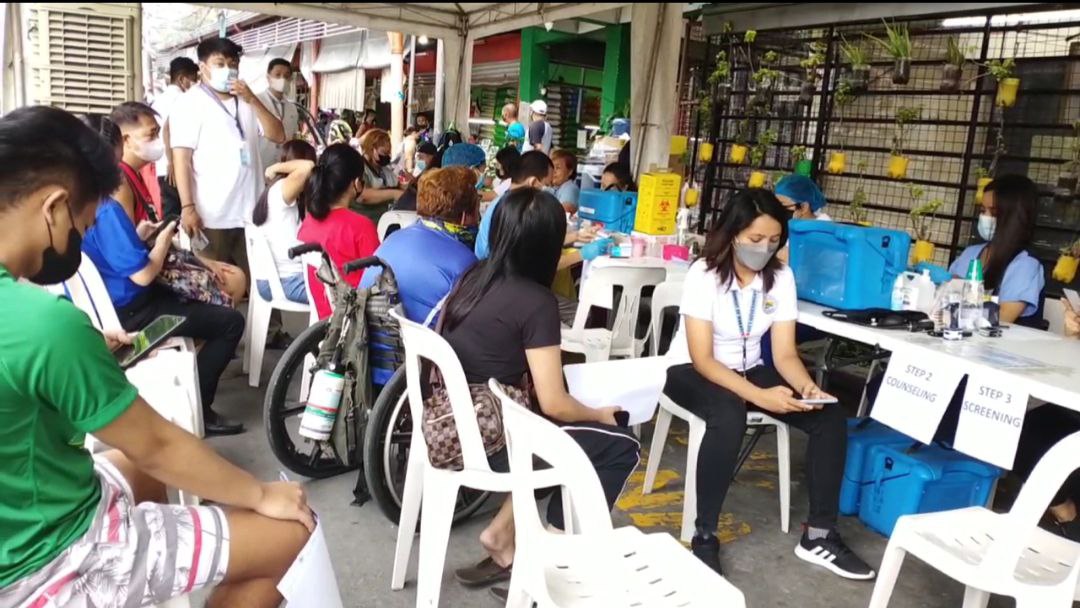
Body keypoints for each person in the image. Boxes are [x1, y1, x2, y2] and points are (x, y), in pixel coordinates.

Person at [0, 106, 313, 608]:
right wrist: (260, 494)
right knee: (295, 534)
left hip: (25, 514)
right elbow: (157, 444)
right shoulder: (42, 324)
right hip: (48, 559)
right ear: (53, 208)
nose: (81, 239)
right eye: (82, 226)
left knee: (133, 467)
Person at [662, 189, 875, 581]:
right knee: (729, 414)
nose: (764, 248)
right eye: (755, 238)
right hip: (692, 371)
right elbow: (703, 359)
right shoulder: (704, 274)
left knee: (828, 416)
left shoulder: (781, 277)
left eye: (774, 240)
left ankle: (820, 534)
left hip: (750, 368)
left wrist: (807, 388)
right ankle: (704, 535)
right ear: (733, 234)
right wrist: (760, 396)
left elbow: (785, 354)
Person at [442, 188, 639, 595]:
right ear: (549, 244)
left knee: (563, 433)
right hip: (493, 442)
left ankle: (501, 534)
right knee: (619, 445)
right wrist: (599, 414)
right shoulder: (536, 301)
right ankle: (551, 565)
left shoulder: (472, 277)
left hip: (451, 422)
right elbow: (555, 403)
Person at [83, 110, 248, 437]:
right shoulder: (108, 206)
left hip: (117, 302)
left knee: (210, 296)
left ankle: (189, 389)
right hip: (133, 312)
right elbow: (143, 275)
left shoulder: (83, 204)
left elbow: (114, 253)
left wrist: (140, 236)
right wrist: (160, 241)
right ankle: (200, 408)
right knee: (230, 322)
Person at [171, 36, 285, 281]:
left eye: (233, 64)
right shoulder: (190, 103)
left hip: (251, 212)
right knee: (215, 283)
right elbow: (181, 160)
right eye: (220, 63)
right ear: (203, 67)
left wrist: (252, 100)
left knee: (260, 282)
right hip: (211, 215)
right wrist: (187, 207)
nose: (228, 70)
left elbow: (278, 135)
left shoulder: (247, 100)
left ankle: (260, 310)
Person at [360, 166, 479, 325]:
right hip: (417, 340)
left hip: (362, 332)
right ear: (464, 217)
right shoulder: (466, 264)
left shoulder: (394, 238)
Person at [942, 174, 1044, 326]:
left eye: (994, 213)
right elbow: (945, 299)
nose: (985, 218)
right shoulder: (970, 253)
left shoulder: (1025, 264)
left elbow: (1003, 318)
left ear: (1016, 218)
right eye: (982, 211)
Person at [297, 143, 380, 319]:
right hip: (356, 318)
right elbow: (377, 279)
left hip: (323, 316)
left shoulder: (308, 223)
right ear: (355, 183)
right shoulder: (361, 226)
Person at [253, 140, 318, 304]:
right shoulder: (281, 189)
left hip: (282, 279)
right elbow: (308, 167)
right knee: (344, 297)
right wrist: (275, 167)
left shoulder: (286, 193)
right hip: (287, 281)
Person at [152, 57, 199, 218]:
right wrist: (172, 162)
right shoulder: (183, 99)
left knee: (170, 213)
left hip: (162, 166)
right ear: (182, 79)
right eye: (193, 79)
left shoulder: (159, 100)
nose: (195, 84)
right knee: (180, 214)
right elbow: (167, 129)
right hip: (174, 168)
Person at [256, 58, 300, 171]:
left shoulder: (292, 108)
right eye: (278, 75)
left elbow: (293, 137)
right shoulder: (256, 102)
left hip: (283, 166)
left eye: (286, 76)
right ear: (268, 77)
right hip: (260, 165)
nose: (282, 79)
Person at [353, 128, 403, 224]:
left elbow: (399, 184)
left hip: (382, 221)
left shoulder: (384, 169)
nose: (387, 156)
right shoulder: (359, 167)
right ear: (372, 149)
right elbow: (362, 196)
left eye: (388, 153)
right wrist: (394, 193)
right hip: (364, 221)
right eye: (384, 153)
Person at [549, 149, 580, 213]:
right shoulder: (555, 187)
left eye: (558, 168)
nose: (553, 171)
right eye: (552, 167)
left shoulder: (570, 188)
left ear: (570, 172)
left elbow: (562, 212)